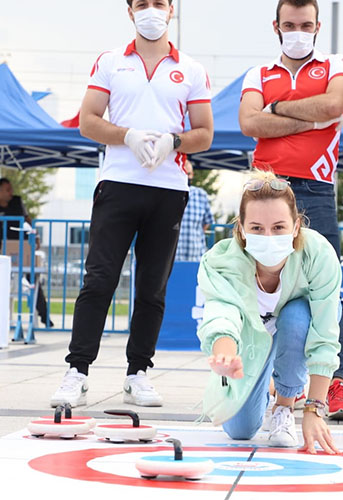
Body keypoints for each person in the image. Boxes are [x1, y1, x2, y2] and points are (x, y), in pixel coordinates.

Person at [50, 0, 213, 408]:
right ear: (129, 11)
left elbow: (205, 132)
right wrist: (128, 136)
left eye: (158, 3)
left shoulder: (191, 69)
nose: (151, 10)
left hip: (169, 186)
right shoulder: (110, 62)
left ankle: (138, 372)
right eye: (142, 3)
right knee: (99, 279)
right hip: (118, 183)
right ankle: (77, 371)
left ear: (171, 10)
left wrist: (173, 142)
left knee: (152, 288)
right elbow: (88, 120)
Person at [238, 0, 343, 420]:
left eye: (306, 24)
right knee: (254, 285)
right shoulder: (259, 73)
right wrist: (306, 118)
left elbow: (333, 107)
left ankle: (335, 385)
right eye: (290, 24)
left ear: (318, 26)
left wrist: (277, 110)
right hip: (265, 189)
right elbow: (250, 124)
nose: (298, 30)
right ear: (276, 26)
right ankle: (260, 378)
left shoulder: (337, 63)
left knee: (327, 291)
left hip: (316, 189)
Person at [198, 170, 341, 452]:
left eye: (278, 227)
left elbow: (325, 332)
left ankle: (284, 405)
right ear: (240, 228)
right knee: (239, 432)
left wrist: (313, 409)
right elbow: (221, 311)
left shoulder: (318, 254)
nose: (268, 236)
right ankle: (267, 385)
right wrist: (224, 352)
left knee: (297, 316)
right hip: (252, 340)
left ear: (296, 226)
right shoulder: (221, 261)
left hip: (294, 328)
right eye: (256, 228)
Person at [0, 178, 53, 328]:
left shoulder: (17, 202)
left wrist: (36, 237)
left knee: (33, 279)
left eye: (11, 189)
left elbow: (27, 220)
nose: (10, 192)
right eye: (7, 189)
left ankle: (44, 316)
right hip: (1, 253)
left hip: (22, 249)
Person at [175, 161, 215, 262]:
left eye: (188, 174)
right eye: (183, 173)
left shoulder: (201, 194)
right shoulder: (169, 195)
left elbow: (207, 222)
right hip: (174, 257)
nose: (186, 177)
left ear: (192, 175)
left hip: (196, 256)